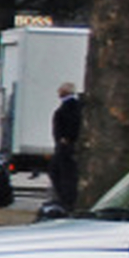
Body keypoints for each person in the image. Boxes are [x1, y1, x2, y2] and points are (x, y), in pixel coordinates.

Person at [48, 80, 83, 208]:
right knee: (62, 173)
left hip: (65, 147)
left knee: (60, 173)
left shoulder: (68, 107)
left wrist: (65, 138)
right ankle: (65, 199)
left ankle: (66, 200)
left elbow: (72, 123)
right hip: (66, 145)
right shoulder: (76, 105)